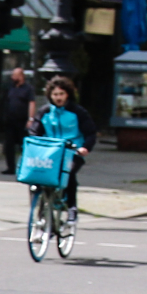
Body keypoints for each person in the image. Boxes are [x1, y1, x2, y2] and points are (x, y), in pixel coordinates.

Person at [23, 73, 92, 218]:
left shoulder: (77, 112)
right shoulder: (45, 112)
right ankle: (40, 212)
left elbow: (90, 132)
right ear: (50, 95)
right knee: (37, 176)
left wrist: (85, 148)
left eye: (61, 94)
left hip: (72, 152)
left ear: (68, 94)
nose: (58, 98)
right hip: (49, 153)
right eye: (55, 94)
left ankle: (72, 207)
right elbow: (35, 130)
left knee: (69, 172)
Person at [0, 62, 35, 175]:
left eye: (15, 75)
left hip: (22, 121)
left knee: (23, 145)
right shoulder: (10, 88)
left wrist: (30, 118)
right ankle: (10, 167)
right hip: (10, 120)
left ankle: (24, 167)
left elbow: (32, 103)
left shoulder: (28, 89)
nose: (12, 77)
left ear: (21, 76)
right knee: (9, 145)